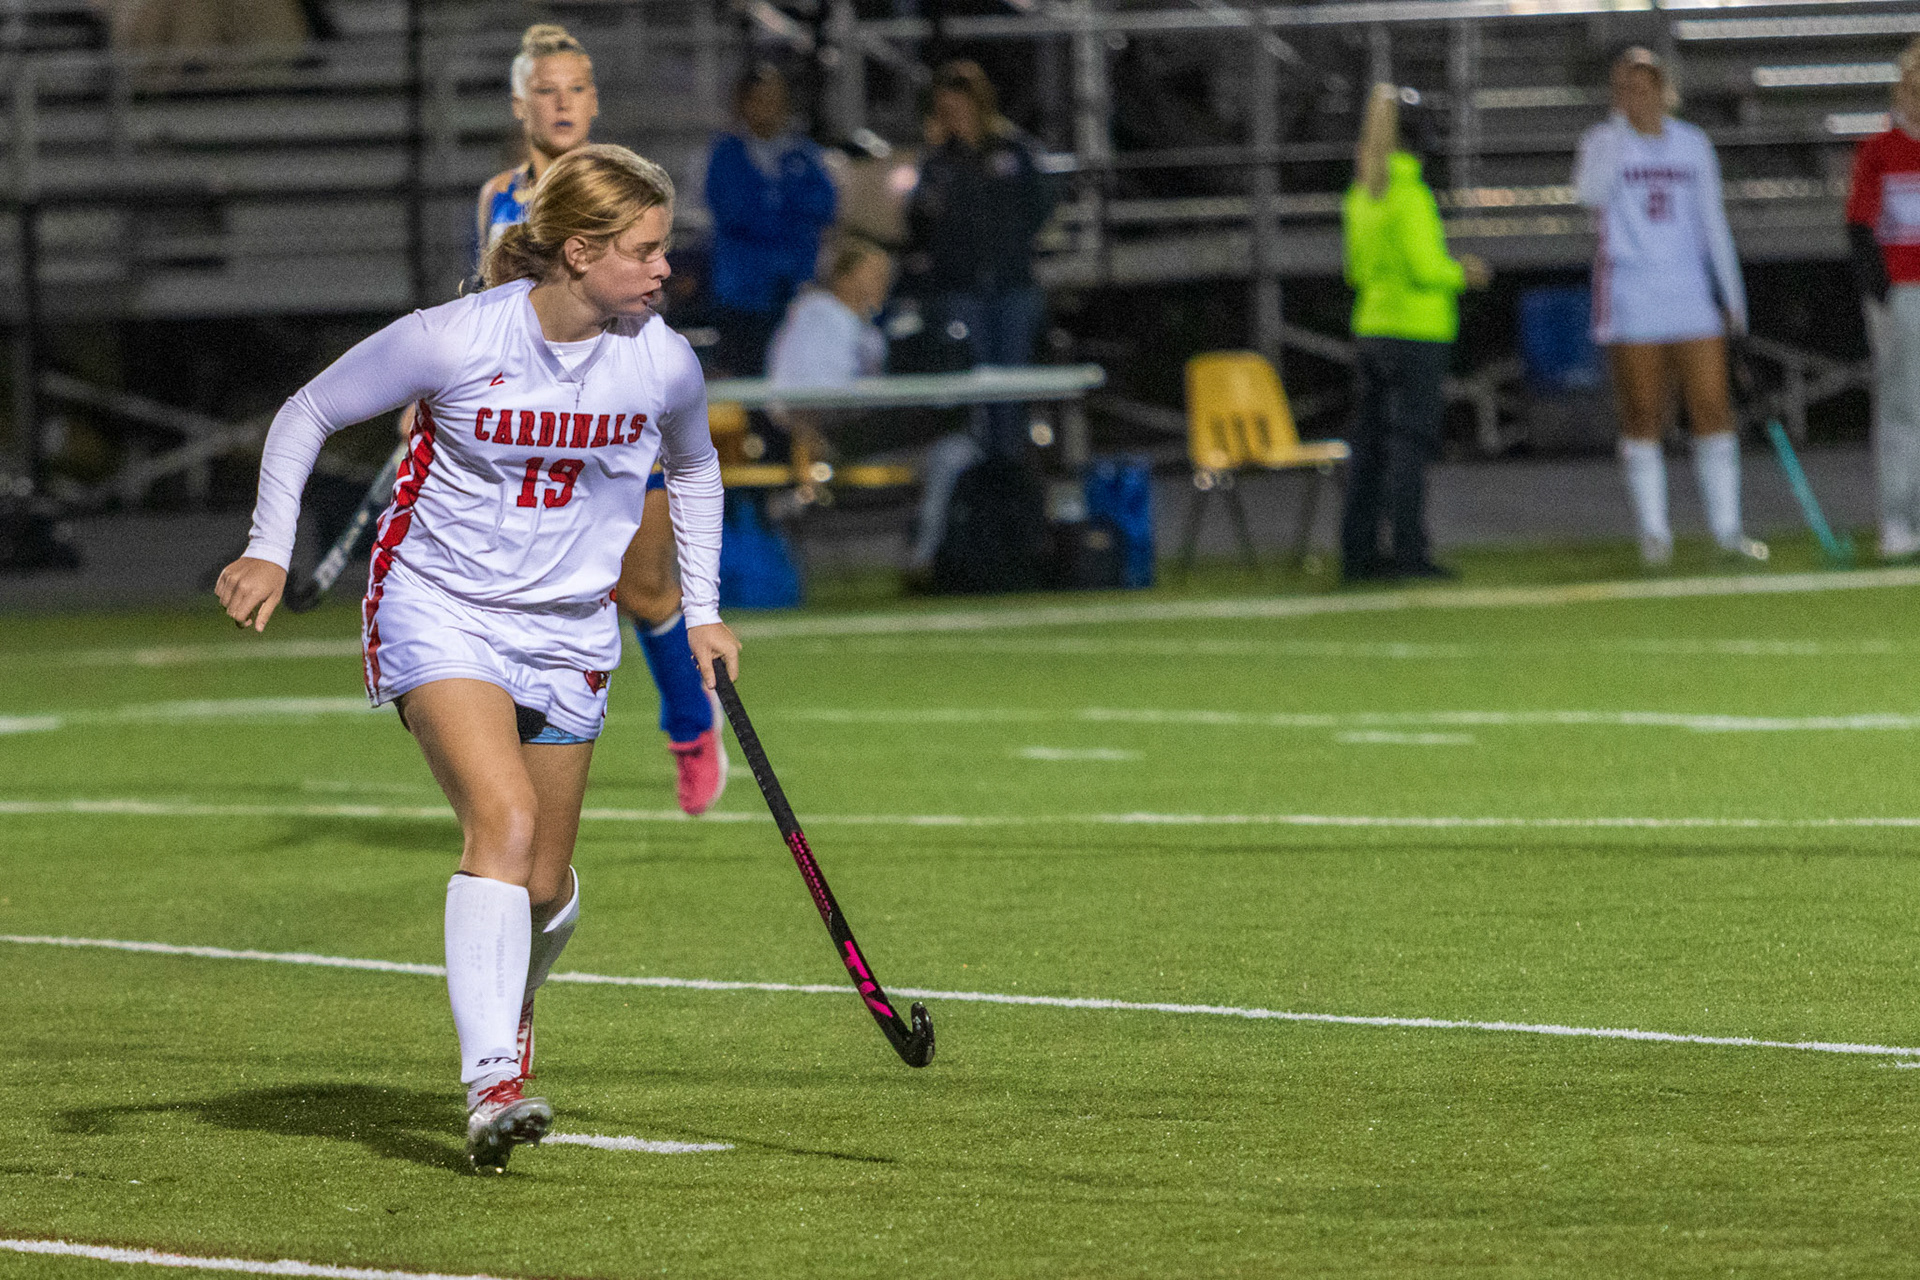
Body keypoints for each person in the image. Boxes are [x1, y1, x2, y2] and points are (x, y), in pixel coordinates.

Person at [214, 145, 737, 1173]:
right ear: (579, 252)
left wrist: (705, 612)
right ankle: (493, 1077)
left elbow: (695, 466)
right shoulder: (456, 337)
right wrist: (270, 545)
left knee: (541, 883)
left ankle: (512, 996)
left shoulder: (663, 360)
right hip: (440, 605)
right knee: (502, 822)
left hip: (572, 627)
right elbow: (307, 411)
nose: (664, 267)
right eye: (644, 249)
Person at [479, 24, 729, 816]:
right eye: (545, 91)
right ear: (520, 104)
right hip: (527, 431)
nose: (562, 104)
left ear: (593, 101)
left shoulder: (621, 192)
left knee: (645, 589)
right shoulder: (498, 198)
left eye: (576, 89)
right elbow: (483, 306)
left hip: (616, 416)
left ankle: (691, 726)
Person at [1575, 46, 1765, 568]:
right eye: (1625, 89)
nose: (1636, 98)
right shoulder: (1601, 142)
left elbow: (1711, 223)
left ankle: (1727, 530)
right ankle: (1654, 534)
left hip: (1690, 293)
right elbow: (1590, 195)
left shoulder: (1692, 144)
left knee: (1712, 408)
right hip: (1632, 293)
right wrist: (1619, 131)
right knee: (1643, 413)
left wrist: (1731, 295)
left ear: (1663, 90)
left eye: (1645, 87)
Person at [1338, 84, 1488, 584]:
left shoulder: (1361, 194)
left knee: (1369, 446)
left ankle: (1358, 553)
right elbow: (1427, 269)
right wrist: (1464, 273)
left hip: (1372, 328)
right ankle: (1409, 551)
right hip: (1417, 333)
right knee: (1409, 447)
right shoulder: (1411, 196)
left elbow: (1355, 272)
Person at [905, 60, 1057, 457]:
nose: (955, 117)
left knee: (1012, 384)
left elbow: (1041, 204)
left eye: (960, 107)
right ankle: (980, 466)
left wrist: (1012, 240)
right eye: (946, 109)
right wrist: (933, 155)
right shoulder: (938, 161)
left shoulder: (1013, 149)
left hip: (1012, 283)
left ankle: (1009, 466)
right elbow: (918, 221)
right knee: (973, 380)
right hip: (961, 287)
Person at [704, 64, 839, 376]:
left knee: (796, 374)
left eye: (775, 100)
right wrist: (781, 208)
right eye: (759, 100)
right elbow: (734, 212)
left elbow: (824, 206)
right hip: (743, 293)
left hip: (794, 290)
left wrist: (779, 205)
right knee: (745, 375)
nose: (768, 108)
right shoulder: (725, 155)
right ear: (743, 104)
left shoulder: (803, 155)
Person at [1845, 39, 1920, 560]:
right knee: (1901, 405)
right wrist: (1884, 298)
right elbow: (1859, 228)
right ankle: (1897, 518)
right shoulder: (1879, 150)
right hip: (1902, 291)